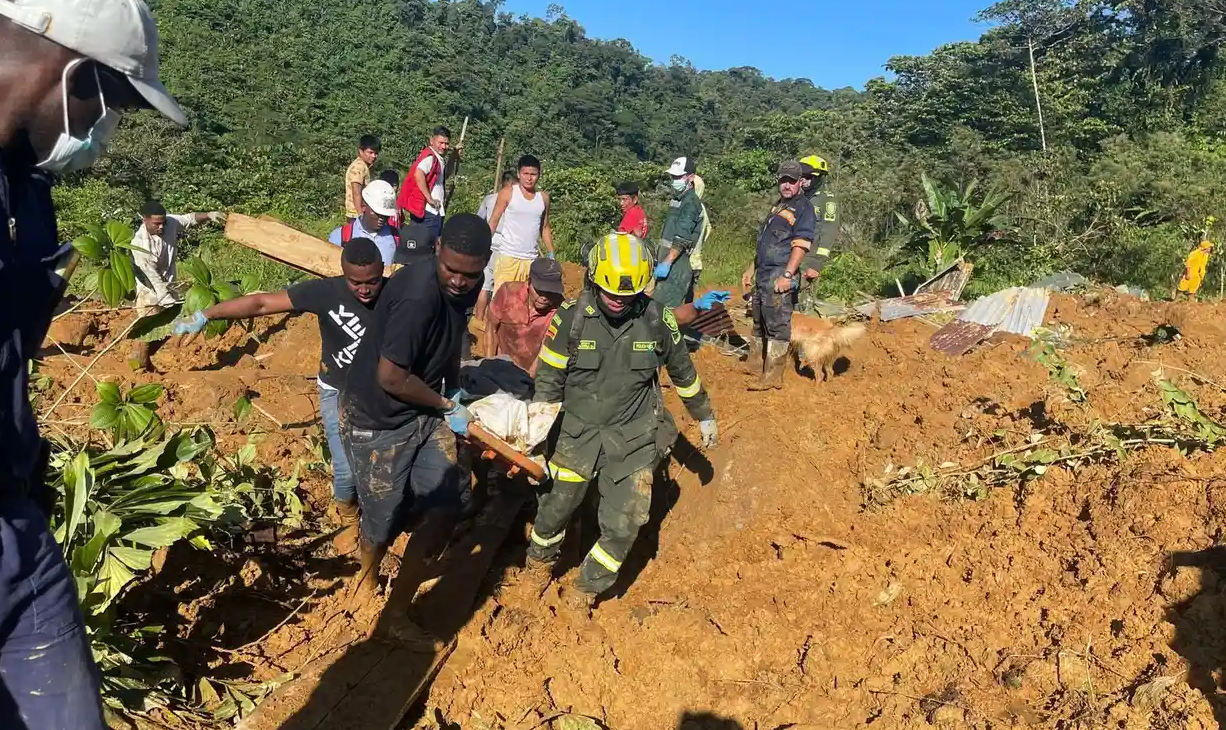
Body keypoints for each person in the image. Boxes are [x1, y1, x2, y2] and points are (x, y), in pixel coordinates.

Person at [0, 0, 186, 724]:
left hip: (17, 526)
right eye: (115, 102)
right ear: (73, 73)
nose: (109, 130)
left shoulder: (28, 194)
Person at [525, 232, 718, 613]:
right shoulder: (569, 318)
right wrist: (534, 439)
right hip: (575, 434)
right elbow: (548, 383)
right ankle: (537, 565)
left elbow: (683, 371)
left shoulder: (657, 319)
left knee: (627, 520)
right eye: (609, 292)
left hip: (633, 437)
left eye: (626, 296)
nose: (617, 300)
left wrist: (704, 415)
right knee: (555, 509)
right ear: (593, 279)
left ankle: (584, 591)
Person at [172, 238, 386, 553]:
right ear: (343, 274)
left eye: (373, 281)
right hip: (336, 392)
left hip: (381, 393)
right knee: (346, 469)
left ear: (382, 272)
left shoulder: (396, 294)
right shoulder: (326, 292)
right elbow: (261, 304)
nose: (365, 289)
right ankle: (347, 515)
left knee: (382, 463)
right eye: (356, 282)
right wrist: (207, 314)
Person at [341, 214, 491, 640]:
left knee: (444, 508)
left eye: (470, 273)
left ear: (484, 263)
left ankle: (395, 614)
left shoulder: (468, 283)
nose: (460, 282)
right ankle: (365, 580)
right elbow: (390, 377)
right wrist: (446, 404)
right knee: (382, 519)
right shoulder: (416, 295)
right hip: (380, 416)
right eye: (451, 270)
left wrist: (454, 386)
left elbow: (452, 332)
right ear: (438, 249)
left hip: (424, 408)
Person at [741, 160, 817, 391]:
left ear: (800, 183)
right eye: (783, 180)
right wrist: (750, 268)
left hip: (779, 272)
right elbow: (766, 242)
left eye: (791, 181)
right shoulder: (778, 206)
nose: (787, 185)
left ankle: (773, 376)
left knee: (777, 323)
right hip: (763, 271)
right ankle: (755, 363)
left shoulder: (804, 209)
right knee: (759, 318)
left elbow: (801, 245)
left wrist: (787, 275)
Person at [129, 201, 226, 371]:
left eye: (163, 223)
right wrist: (170, 304)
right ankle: (138, 369)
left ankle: (149, 363)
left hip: (171, 284)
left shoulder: (170, 223)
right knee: (147, 330)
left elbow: (189, 219)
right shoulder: (140, 245)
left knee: (164, 329)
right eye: (156, 224)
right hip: (150, 290)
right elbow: (154, 281)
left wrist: (209, 215)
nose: (161, 227)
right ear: (144, 220)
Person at [485, 257, 565, 376]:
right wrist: (489, 368)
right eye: (540, 290)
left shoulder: (560, 311)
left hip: (532, 376)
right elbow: (491, 329)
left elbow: (544, 351)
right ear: (529, 282)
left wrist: (528, 381)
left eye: (550, 292)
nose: (544, 297)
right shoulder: (508, 292)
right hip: (500, 367)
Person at [488, 154, 555, 293]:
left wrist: (551, 252)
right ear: (518, 173)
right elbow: (493, 221)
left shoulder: (543, 198)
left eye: (533, 174)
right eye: (525, 173)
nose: (529, 178)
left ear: (539, 175)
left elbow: (545, 227)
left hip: (531, 261)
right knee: (502, 303)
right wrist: (482, 246)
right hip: (507, 258)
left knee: (524, 304)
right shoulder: (508, 193)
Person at [654, 156, 704, 308]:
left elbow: (682, 236)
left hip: (676, 265)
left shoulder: (691, 202)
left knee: (666, 311)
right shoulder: (677, 199)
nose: (674, 180)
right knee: (657, 307)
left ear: (691, 177)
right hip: (667, 260)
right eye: (673, 176)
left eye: (679, 176)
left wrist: (667, 262)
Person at [397, 125, 459, 242]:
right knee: (425, 245)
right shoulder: (430, 157)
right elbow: (418, 174)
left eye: (446, 144)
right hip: (428, 212)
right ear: (432, 140)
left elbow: (444, 175)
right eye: (440, 143)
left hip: (434, 211)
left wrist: (453, 157)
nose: (443, 146)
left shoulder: (437, 158)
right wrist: (429, 198)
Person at [473, 170, 519, 326]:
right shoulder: (515, 201)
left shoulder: (489, 199)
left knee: (485, 284)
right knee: (502, 287)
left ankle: (479, 320)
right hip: (508, 247)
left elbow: (479, 219)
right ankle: (496, 322)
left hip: (490, 242)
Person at [329, 179, 398, 266]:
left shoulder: (395, 237)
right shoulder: (340, 237)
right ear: (364, 207)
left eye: (385, 214)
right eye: (377, 213)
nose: (382, 218)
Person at [798, 154, 838, 283]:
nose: (803, 180)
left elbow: (829, 233)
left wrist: (817, 262)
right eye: (800, 176)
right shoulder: (798, 199)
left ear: (819, 177)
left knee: (801, 300)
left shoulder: (827, 200)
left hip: (809, 259)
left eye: (808, 177)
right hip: (791, 256)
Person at [688, 174, 713, 302]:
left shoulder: (693, 208)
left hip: (688, 263)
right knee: (688, 300)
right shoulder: (701, 207)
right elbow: (708, 228)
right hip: (695, 262)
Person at [345, 135, 381, 222]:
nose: (374, 156)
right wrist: (361, 214)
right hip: (355, 213)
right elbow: (356, 192)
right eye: (370, 152)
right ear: (361, 151)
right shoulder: (359, 167)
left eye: (376, 153)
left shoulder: (364, 166)